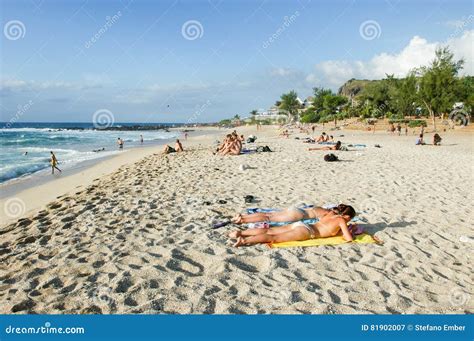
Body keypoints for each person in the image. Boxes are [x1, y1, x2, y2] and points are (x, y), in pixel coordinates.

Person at [228, 204, 356, 247]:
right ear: (347, 216)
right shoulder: (341, 221)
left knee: (271, 230)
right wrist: (351, 231)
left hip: (300, 224)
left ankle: (240, 233)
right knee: (273, 237)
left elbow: (327, 227)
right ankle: (244, 240)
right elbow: (348, 239)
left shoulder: (328, 214)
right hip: (307, 232)